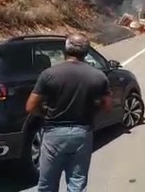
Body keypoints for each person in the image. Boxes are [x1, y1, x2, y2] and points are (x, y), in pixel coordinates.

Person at [25, 33, 113, 192]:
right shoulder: (98, 76)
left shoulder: (49, 74)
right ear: (86, 53)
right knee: (77, 183)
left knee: (47, 184)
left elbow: (30, 106)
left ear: (65, 50)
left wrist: (45, 113)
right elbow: (107, 106)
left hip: (53, 133)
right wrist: (93, 107)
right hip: (82, 132)